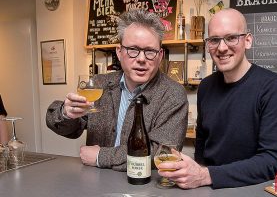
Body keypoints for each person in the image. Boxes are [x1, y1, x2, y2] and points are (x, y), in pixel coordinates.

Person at [157, 8, 277, 189]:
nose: (222, 48)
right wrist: (198, 175)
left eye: (231, 38)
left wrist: (205, 175)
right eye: (214, 40)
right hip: (210, 188)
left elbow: (271, 160)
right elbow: (202, 144)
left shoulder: (273, 87)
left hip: (252, 189)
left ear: (248, 40)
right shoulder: (206, 86)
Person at [46, 9, 188, 171]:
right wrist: (66, 113)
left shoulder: (173, 94)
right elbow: (68, 128)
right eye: (133, 49)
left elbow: (163, 152)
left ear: (160, 55)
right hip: (94, 184)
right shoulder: (99, 84)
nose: (141, 59)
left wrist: (101, 157)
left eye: (150, 51)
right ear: (119, 52)